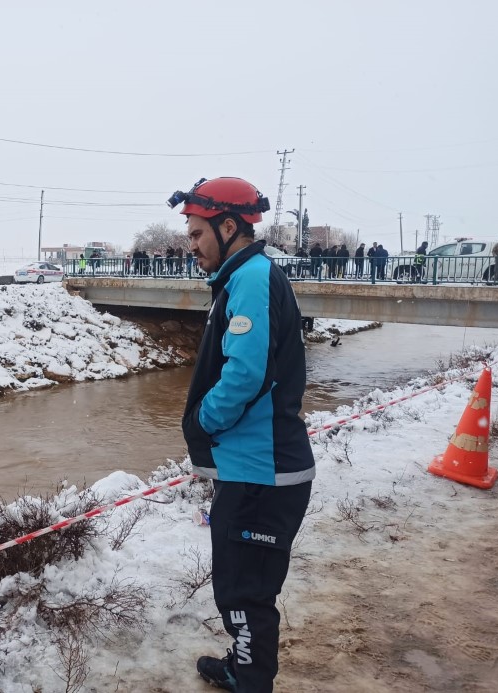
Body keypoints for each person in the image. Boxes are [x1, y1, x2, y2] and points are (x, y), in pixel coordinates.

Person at [168, 177, 314, 692]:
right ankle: (244, 667)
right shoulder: (244, 276)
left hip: (263, 474)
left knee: (244, 592)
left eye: (196, 232)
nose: (191, 245)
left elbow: (244, 375)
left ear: (228, 226)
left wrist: (201, 421)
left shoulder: (250, 278)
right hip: (256, 469)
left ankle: (251, 681)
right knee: (242, 584)